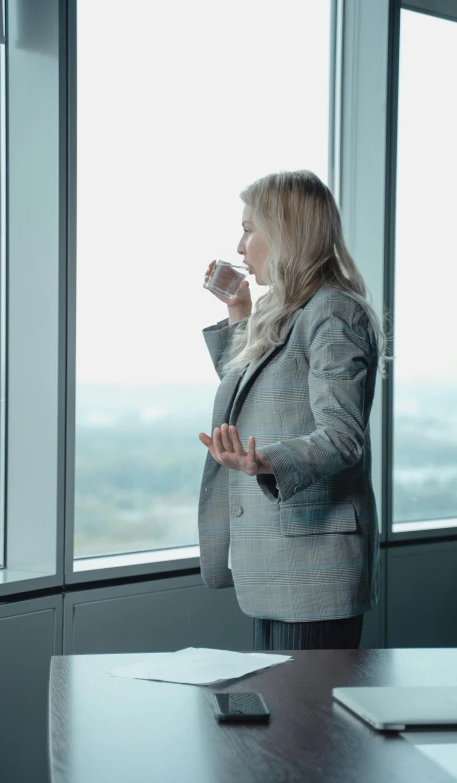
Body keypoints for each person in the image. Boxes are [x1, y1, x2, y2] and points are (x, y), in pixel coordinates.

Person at [198, 170, 390, 651]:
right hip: (280, 564)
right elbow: (253, 392)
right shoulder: (293, 310)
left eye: (249, 229)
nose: (240, 248)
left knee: (303, 722)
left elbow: (343, 435)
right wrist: (240, 312)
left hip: (312, 566)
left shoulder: (333, 312)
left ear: (285, 233)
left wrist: (265, 462)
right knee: (286, 719)